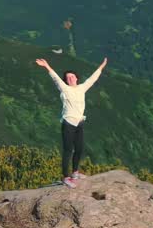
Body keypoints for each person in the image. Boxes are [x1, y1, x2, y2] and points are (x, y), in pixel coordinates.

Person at [35, 56, 107, 188]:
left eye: (72, 76)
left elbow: (92, 78)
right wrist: (47, 66)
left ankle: (75, 173)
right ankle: (65, 177)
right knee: (68, 150)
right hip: (68, 123)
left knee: (79, 149)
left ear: (76, 78)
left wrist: (101, 67)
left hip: (79, 123)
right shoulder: (64, 89)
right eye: (68, 77)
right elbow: (55, 78)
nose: (70, 78)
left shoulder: (82, 88)